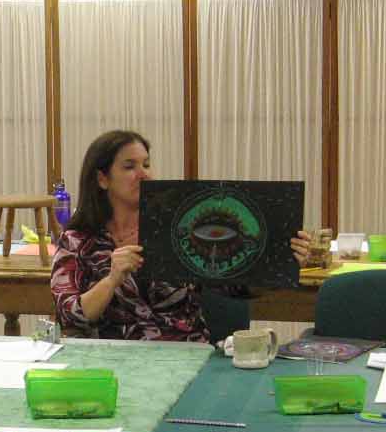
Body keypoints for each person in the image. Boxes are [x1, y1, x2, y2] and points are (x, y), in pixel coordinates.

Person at [50, 130, 312, 342]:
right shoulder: (77, 240)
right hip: (114, 361)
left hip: (186, 353)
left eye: (146, 164)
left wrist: (281, 260)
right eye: (130, 166)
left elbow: (234, 286)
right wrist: (112, 279)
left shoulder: (177, 228)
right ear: (102, 179)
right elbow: (70, 316)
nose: (144, 174)